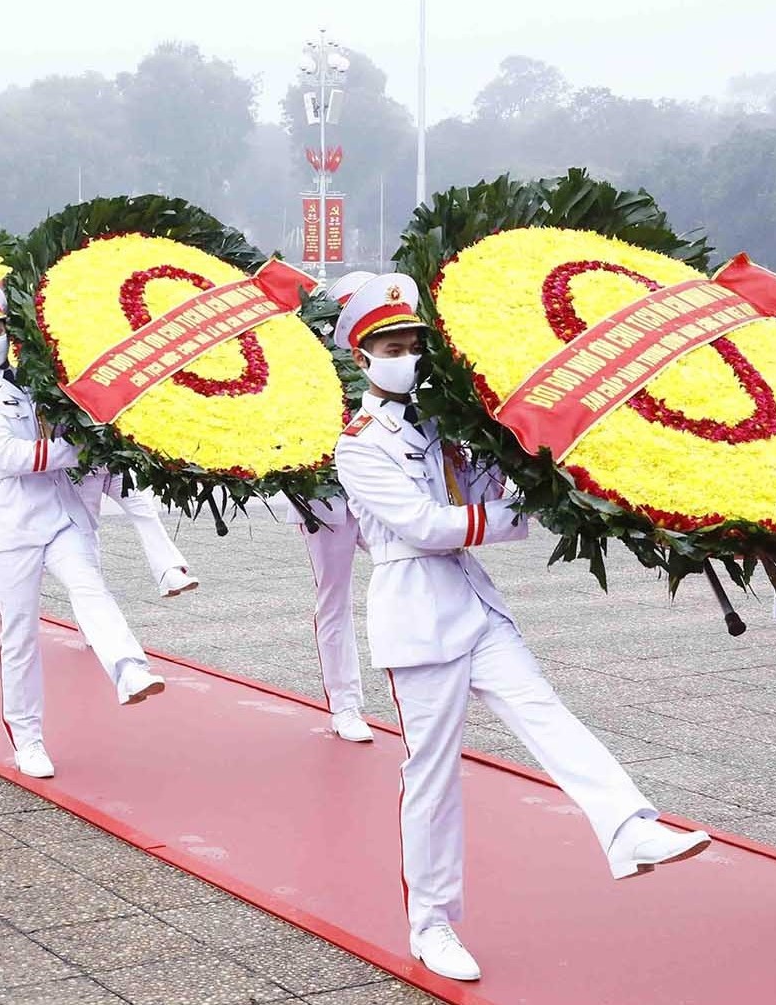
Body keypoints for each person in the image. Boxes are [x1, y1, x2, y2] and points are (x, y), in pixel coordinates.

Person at [331, 273, 708, 983]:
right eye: (391, 344)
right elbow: (422, 525)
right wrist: (508, 517)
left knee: (545, 711)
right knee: (433, 777)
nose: (406, 354)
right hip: (415, 614)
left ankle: (629, 827)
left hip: (473, 604)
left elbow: (470, 496)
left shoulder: (441, 422)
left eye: (414, 342)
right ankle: (432, 924)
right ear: (361, 357)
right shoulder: (358, 443)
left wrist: (516, 464)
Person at [0, 282, 166, 781]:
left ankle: (128, 667)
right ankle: (27, 738)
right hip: (13, 524)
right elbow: (10, 458)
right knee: (19, 634)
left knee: (91, 588)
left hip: (62, 511)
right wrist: (80, 451)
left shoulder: (37, 377)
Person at [301, 269, 377, 744]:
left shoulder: (389, 359)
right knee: (334, 597)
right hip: (324, 494)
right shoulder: (311, 363)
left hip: (375, 490)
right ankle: (345, 704)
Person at [75, 472, 198, 598]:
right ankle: (91, 588)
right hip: (81, 471)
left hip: (116, 466)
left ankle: (169, 573)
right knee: (86, 527)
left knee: (144, 510)